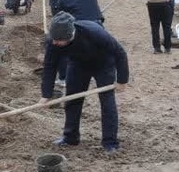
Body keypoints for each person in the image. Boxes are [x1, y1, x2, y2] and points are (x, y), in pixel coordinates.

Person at [40, 12, 130, 153]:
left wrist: (122, 80)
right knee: (72, 99)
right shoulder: (53, 41)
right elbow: (49, 66)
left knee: (107, 101)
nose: (54, 43)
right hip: (78, 64)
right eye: (53, 39)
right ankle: (70, 137)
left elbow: (120, 53)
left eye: (58, 40)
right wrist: (46, 94)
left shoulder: (94, 32)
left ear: (69, 36)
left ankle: (110, 142)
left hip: (103, 64)